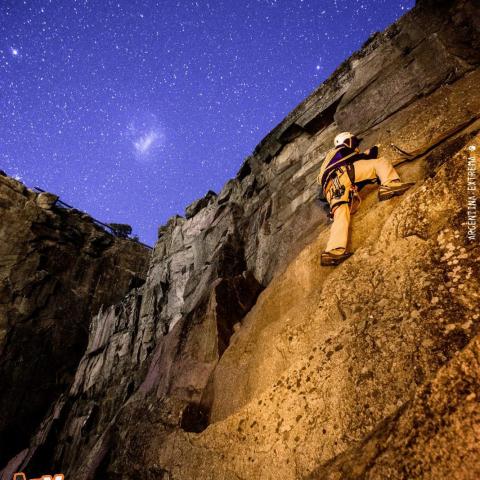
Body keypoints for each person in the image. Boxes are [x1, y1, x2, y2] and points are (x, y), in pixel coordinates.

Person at [318, 131, 414, 266]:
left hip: (331, 188)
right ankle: (390, 184)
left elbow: (322, 195)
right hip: (345, 173)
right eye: (354, 143)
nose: (356, 147)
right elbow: (357, 159)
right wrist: (369, 152)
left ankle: (333, 251)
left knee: (341, 215)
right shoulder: (340, 150)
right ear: (347, 141)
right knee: (379, 163)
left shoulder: (326, 165)